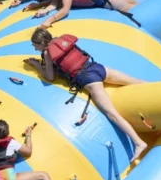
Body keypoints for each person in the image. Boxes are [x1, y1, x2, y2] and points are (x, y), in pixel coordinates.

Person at [27, 28, 148, 162]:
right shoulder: (62, 40)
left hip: (90, 80)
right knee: (138, 82)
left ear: (41, 43)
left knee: (112, 114)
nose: (34, 48)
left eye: (34, 45)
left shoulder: (47, 53)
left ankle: (138, 143)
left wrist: (37, 65)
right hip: (98, 68)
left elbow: (49, 77)